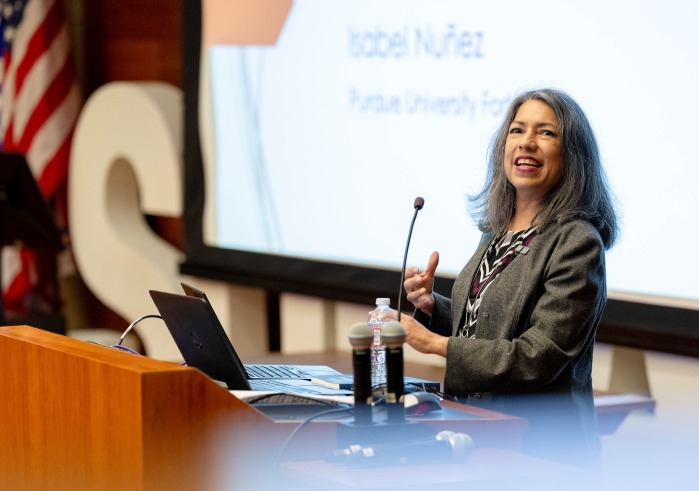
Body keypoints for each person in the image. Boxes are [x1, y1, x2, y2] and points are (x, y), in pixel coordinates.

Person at [401, 88, 619, 466]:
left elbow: (537, 356)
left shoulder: (577, 242)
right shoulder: (497, 231)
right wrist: (432, 305)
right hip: (476, 430)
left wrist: (436, 345)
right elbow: (490, 324)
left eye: (546, 133)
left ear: (573, 156)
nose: (528, 143)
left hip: (541, 452)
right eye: (518, 130)